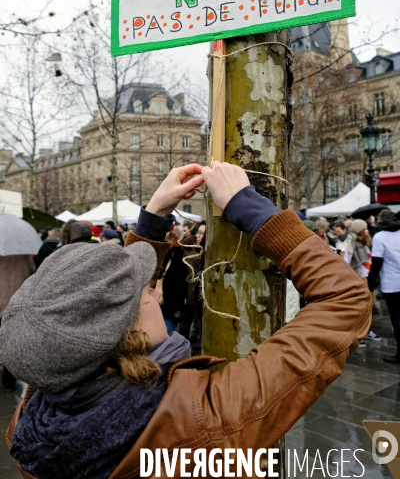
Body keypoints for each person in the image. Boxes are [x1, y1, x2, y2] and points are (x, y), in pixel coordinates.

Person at [2, 162, 371, 479]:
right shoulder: (206, 420)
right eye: (146, 293)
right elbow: (346, 299)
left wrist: (152, 220)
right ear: (125, 333)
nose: (157, 292)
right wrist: (256, 214)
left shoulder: (31, 423)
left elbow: (97, 313)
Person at [0, 253, 36, 392]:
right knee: (11, 345)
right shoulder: (24, 256)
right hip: (17, 304)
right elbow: (33, 276)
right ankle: (8, 384)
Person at [368, 210, 400, 364]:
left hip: (392, 283)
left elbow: (376, 263)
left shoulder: (380, 237)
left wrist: (371, 283)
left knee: (397, 317)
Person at [343, 219, 381, 346]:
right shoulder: (351, 242)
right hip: (359, 279)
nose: (368, 230)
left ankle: (367, 331)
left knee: (369, 307)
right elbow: (346, 262)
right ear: (360, 230)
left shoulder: (364, 242)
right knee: (361, 308)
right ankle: (358, 335)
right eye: (365, 228)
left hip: (367, 278)